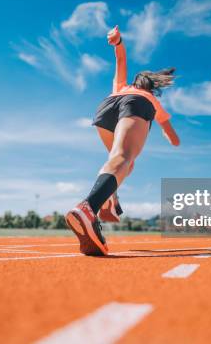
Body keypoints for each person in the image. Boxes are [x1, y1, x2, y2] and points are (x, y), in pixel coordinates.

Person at [65, 25, 180, 256]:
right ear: (152, 86)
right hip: (134, 107)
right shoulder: (150, 99)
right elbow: (171, 134)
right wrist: (170, 137)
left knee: (120, 161)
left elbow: (120, 61)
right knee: (124, 158)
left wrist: (118, 42)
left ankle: (109, 196)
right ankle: (89, 208)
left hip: (105, 108)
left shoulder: (121, 86)